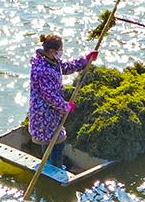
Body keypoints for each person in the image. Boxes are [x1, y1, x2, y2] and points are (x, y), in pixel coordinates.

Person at [27, 33, 96, 172]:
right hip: (44, 112)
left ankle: (49, 165)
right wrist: (65, 106)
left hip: (51, 112)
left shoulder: (52, 61)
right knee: (56, 140)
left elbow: (65, 67)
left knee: (50, 139)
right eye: (60, 49)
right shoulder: (41, 69)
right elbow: (49, 96)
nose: (61, 52)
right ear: (52, 51)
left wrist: (85, 60)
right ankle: (55, 168)